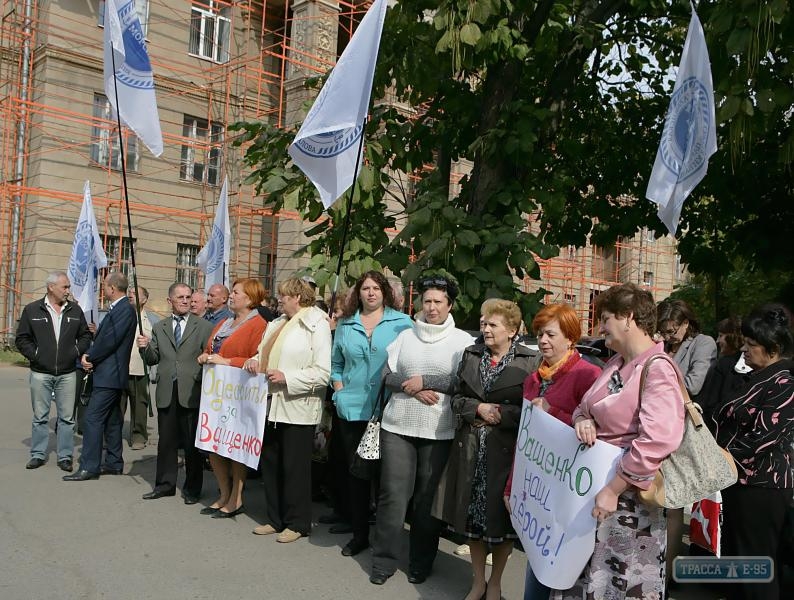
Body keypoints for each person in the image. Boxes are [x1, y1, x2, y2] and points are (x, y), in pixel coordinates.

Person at [551, 283, 685, 600]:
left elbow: (657, 440)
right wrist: (584, 422)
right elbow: (585, 408)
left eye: (606, 318)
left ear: (628, 318)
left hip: (629, 503)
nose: (601, 328)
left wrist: (613, 489)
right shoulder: (617, 364)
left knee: (619, 584)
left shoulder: (657, 369)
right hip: (600, 495)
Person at [369, 276, 473, 586]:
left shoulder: (463, 342)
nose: (431, 307)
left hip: (438, 431)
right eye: (427, 301)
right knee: (393, 497)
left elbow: (463, 384)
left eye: (438, 302)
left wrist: (427, 381)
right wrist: (411, 388)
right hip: (397, 426)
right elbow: (386, 376)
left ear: (449, 305)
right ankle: (383, 560)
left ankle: (420, 562)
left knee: (427, 501)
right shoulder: (405, 336)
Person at [433, 298, 537, 600]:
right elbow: (456, 398)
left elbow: (534, 411)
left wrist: (503, 415)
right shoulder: (472, 354)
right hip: (470, 450)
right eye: (483, 323)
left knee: (501, 524)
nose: (485, 328)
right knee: (472, 521)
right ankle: (478, 581)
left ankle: (496, 582)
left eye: (492, 324)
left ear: (512, 330)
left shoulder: (529, 361)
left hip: (505, 452)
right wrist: (477, 408)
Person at [505, 303, 600, 600]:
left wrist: (553, 412)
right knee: (537, 561)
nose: (543, 340)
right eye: (539, 334)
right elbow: (527, 441)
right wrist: (512, 486)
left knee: (562, 573)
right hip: (537, 489)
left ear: (570, 338)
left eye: (550, 334)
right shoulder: (534, 380)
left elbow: (594, 435)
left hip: (569, 491)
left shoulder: (588, 375)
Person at [714, 304, 794, 600]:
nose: (744, 350)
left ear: (772, 348)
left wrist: (716, 457)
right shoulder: (761, 378)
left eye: (751, 344)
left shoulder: (784, 382)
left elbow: (761, 440)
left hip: (762, 486)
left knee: (756, 570)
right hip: (740, 484)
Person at [330, 270, 412, 557]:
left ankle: (387, 538)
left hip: (388, 408)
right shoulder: (346, 323)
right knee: (358, 476)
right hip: (352, 409)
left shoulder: (402, 323)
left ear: (385, 292)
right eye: (365, 288)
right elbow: (336, 363)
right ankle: (359, 534)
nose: (371, 293)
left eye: (376, 288)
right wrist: (339, 389)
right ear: (358, 293)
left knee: (388, 477)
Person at [245, 277, 332, 543]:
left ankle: (298, 522)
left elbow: (322, 372)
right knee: (271, 464)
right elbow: (263, 354)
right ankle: (276, 518)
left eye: (283, 295)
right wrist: (253, 361)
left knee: (295, 468)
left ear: (297, 297)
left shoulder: (316, 325)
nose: (279, 299)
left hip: (297, 407)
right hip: (270, 405)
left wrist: (288, 377)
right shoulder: (277, 323)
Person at [656, 298, 717, 580]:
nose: (668, 337)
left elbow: (693, 384)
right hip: (658, 426)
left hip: (682, 431)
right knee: (657, 502)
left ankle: (668, 572)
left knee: (673, 504)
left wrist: (657, 366)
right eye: (664, 332)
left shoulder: (703, 343)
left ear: (686, 323)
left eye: (672, 331)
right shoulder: (663, 346)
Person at [137, 283, 214, 504]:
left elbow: (208, 357)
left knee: (191, 444)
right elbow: (153, 359)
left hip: (191, 391)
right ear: (170, 300)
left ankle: (192, 488)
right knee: (167, 442)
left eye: (188, 297)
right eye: (180, 297)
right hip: (166, 391)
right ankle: (165, 485)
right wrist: (145, 347)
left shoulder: (203, 327)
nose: (185, 300)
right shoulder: (160, 327)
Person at [197, 278, 266, 517]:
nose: (231, 296)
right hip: (216, 393)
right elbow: (211, 349)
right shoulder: (225, 322)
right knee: (214, 443)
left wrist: (227, 362)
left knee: (234, 446)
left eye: (236, 293)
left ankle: (236, 498)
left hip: (239, 393)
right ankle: (223, 494)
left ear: (250, 298)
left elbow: (257, 359)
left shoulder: (259, 325)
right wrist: (205, 356)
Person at [64, 272, 138, 481]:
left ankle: (89, 466)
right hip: (110, 374)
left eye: (105, 286)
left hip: (109, 375)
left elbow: (110, 340)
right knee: (113, 420)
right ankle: (114, 462)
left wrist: (90, 356)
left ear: (113, 288)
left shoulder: (124, 309)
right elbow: (107, 337)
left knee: (92, 419)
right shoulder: (120, 309)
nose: (103, 289)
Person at [16, 271, 92, 472]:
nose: (68, 290)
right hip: (40, 372)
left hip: (67, 373)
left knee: (67, 418)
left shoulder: (75, 310)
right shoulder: (32, 310)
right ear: (51, 287)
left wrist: (75, 352)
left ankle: (65, 456)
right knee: (40, 416)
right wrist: (36, 355)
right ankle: (38, 454)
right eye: (64, 287)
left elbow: (85, 336)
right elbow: (22, 339)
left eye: (68, 287)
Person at [121, 285, 153, 450]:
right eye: (129, 293)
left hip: (139, 368)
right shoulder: (121, 316)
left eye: (135, 293)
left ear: (145, 299)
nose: (130, 295)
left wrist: (148, 343)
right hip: (120, 368)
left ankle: (139, 435)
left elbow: (155, 346)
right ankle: (111, 435)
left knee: (139, 404)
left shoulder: (150, 320)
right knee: (116, 405)